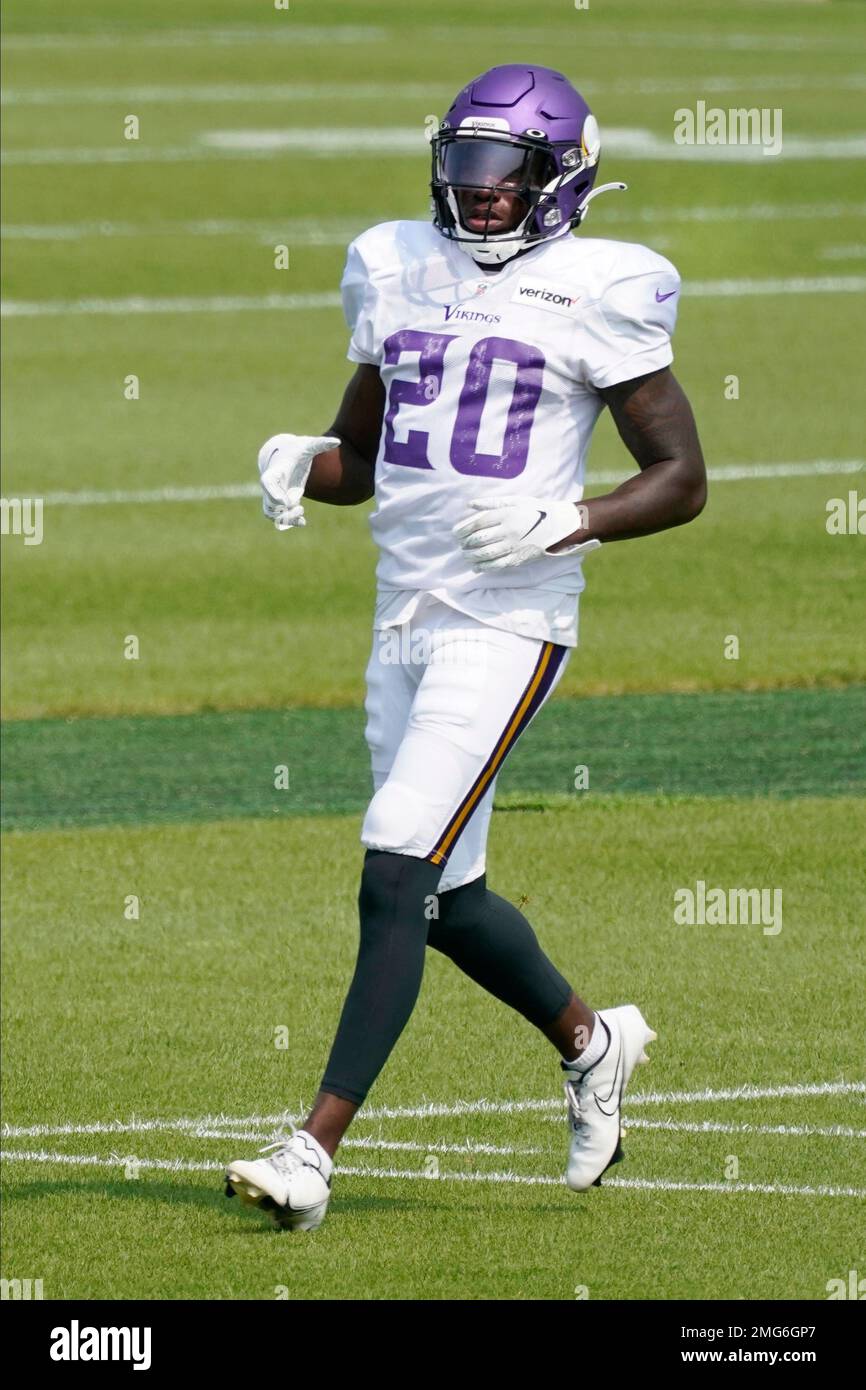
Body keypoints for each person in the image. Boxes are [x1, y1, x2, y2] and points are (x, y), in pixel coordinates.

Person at [225, 64, 706, 1231]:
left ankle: (310, 1150)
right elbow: (364, 459)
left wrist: (571, 515)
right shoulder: (395, 265)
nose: (480, 192)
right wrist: (300, 461)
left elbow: (681, 479)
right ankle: (592, 1044)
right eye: (466, 166)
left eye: (506, 173)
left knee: (394, 860)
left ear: (558, 179)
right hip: (405, 618)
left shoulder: (601, 287)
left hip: (510, 619)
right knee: (447, 899)